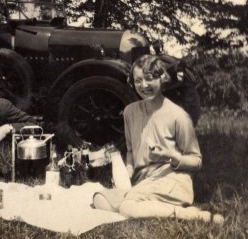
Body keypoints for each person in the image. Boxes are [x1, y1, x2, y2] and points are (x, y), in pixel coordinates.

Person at [92, 55, 223, 223]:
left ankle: (195, 215)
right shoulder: (129, 112)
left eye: (149, 79)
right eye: (138, 80)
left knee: (126, 207)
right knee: (99, 199)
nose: (144, 86)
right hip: (143, 183)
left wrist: (172, 156)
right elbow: (131, 150)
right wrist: (128, 172)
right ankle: (146, 207)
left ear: (162, 78)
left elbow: (196, 161)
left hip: (172, 181)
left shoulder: (178, 116)